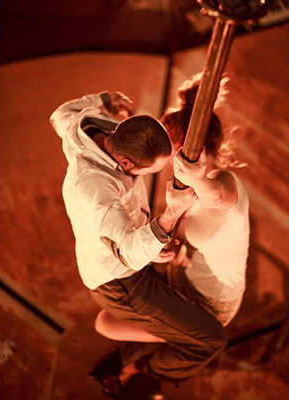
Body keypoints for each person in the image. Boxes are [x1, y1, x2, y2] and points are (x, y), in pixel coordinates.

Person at [50, 91, 228, 397]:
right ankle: (135, 370)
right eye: (149, 172)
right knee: (210, 340)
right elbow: (128, 252)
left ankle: (122, 360)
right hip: (119, 279)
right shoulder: (96, 191)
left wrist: (105, 100)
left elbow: (60, 115)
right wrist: (171, 213)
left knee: (183, 317)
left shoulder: (97, 125)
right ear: (125, 162)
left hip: (131, 253)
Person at [95, 77, 250, 345]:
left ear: (178, 148)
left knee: (106, 323)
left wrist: (198, 179)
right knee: (115, 298)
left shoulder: (224, 181)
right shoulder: (185, 190)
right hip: (185, 276)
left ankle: (160, 351)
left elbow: (216, 197)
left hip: (211, 304)